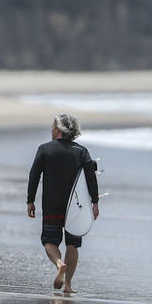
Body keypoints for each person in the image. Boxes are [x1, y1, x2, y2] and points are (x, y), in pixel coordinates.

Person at [26, 114, 99, 293]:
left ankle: (59, 263)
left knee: (49, 241)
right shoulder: (82, 152)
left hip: (51, 203)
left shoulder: (45, 149)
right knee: (73, 244)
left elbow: (34, 175)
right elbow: (91, 179)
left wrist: (30, 200)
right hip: (76, 205)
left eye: (52, 127)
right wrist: (95, 202)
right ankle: (68, 285)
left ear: (58, 129)